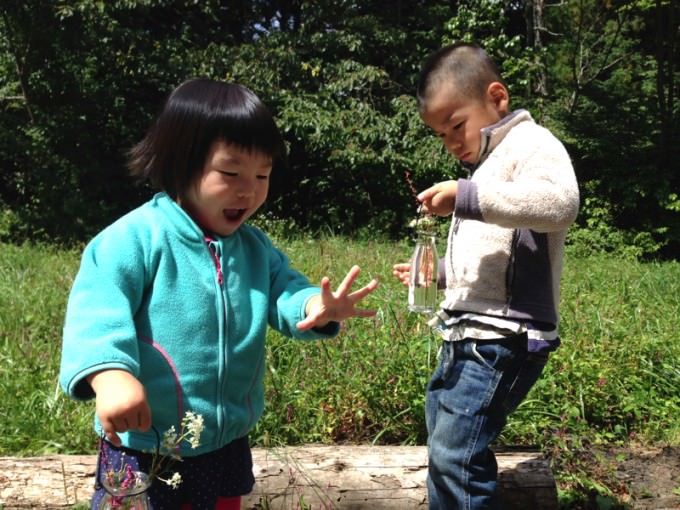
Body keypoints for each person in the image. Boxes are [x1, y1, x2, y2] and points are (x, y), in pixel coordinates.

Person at [59, 78, 379, 510]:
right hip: (144, 442)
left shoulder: (254, 248)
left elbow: (285, 290)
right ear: (181, 163)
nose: (248, 190)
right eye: (230, 173)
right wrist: (110, 374)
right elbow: (96, 310)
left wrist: (315, 306)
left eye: (262, 175)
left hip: (224, 439)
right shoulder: (136, 239)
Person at [393, 42, 579, 509]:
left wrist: (468, 197)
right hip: (467, 332)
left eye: (456, 125)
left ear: (497, 97)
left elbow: (561, 205)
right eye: (440, 134)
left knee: (456, 454)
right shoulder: (485, 168)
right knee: (444, 444)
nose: (452, 141)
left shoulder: (532, 145)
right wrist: (439, 279)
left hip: (503, 336)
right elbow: (494, 260)